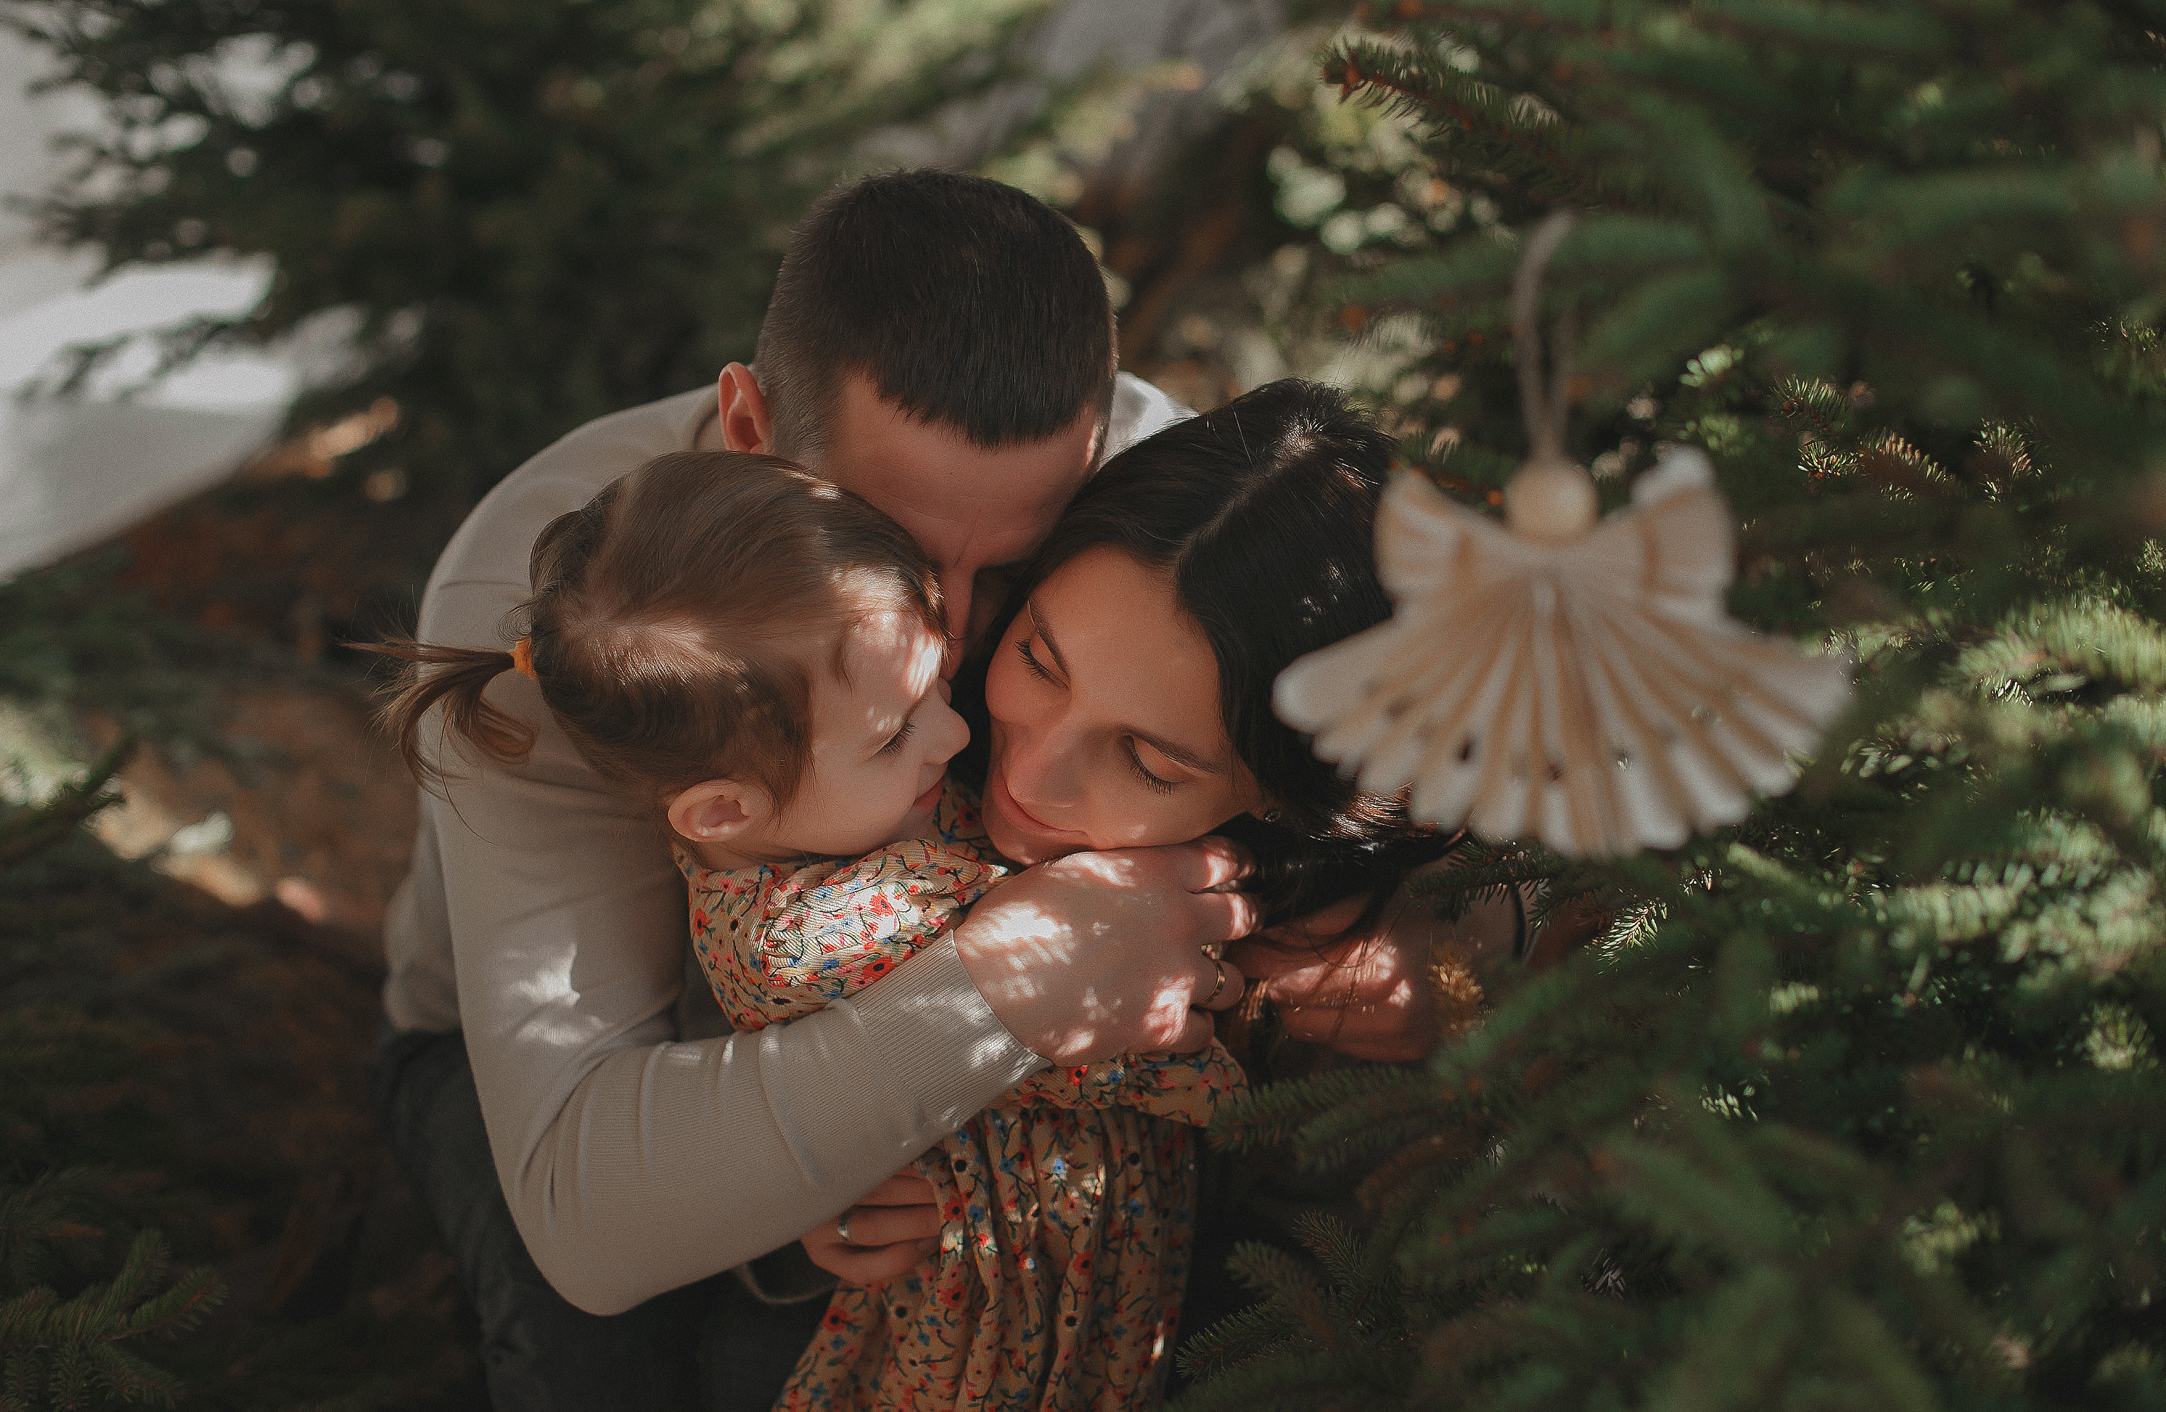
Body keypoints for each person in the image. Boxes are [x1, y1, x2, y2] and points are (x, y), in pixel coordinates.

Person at [368, 170, 1487, 1411]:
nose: (947, 638)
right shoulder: (581, 609)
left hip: (981, 1120)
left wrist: (1382, 930)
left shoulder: (1164, 495)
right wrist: (1010, 987)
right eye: (888, 543)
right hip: (517, 1068)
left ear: (1092, 462)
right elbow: (588, 1207)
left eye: (1013, 567)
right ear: (749, 428)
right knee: (603, 1359)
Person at [374, 447, 1246, 1410]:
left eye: (941, 684)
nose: (955, 735)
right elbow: (1085, 1007)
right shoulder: (810, 928)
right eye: (895, 733)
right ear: (724, 812)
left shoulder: (845, 736)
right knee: (592, 1356)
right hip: (498, 1075)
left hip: (1028, 1229)